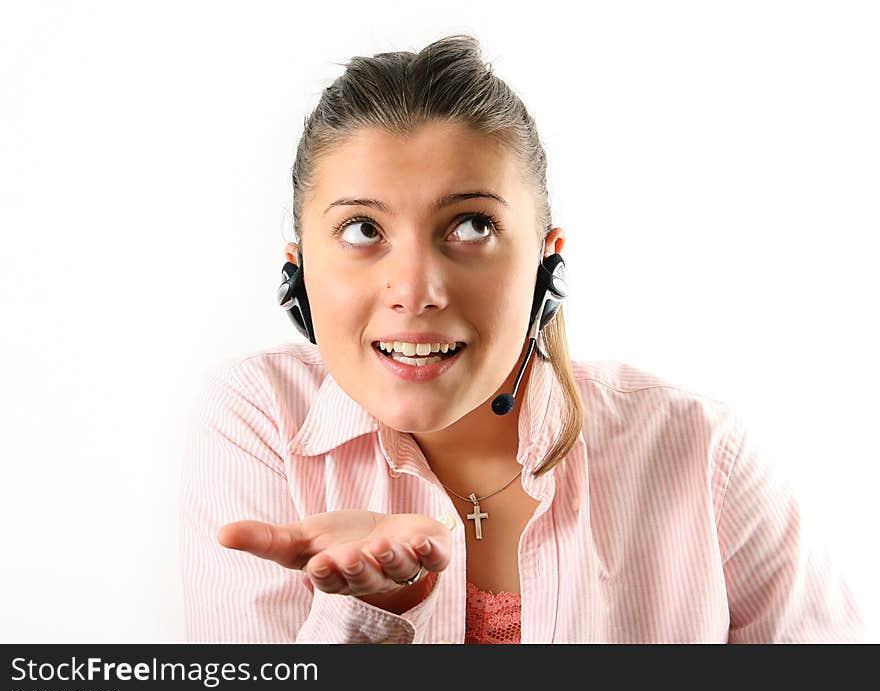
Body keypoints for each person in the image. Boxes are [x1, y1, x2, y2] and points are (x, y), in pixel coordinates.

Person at [179, 34, 864, 644]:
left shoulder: (700, 449)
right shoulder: (260, 416)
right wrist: (368, 618)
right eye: (363, 230)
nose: (416, 290)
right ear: (298, 271)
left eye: (471, 226)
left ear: (545, 261)